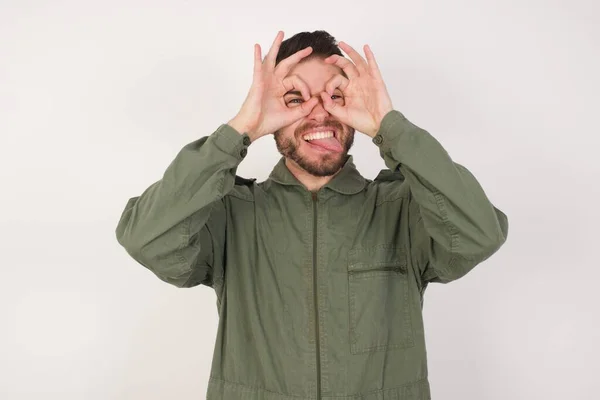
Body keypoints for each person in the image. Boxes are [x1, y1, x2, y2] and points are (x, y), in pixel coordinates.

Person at [115, 30, 509, 400]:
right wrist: (240, 130)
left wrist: (391, 127)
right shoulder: (231, 214)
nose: (320, 113)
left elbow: (479, 234)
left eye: (336, 96)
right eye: (295, 100)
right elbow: (146, 239)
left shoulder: (402, 210)